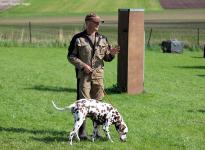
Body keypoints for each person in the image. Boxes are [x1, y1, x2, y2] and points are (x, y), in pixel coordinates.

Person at [67, 12, 119, 139]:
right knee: (84, 104)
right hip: (83, 76)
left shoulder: (103, 39)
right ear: (88, 23)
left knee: (98, 104)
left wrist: (111, 54)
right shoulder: (78, 38)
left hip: (98, 76)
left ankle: (97, 133)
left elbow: (106, 58)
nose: (98, 25)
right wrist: (83, 66)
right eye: (96, 22)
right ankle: (82, 133)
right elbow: (71, 56)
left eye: (99, 23)